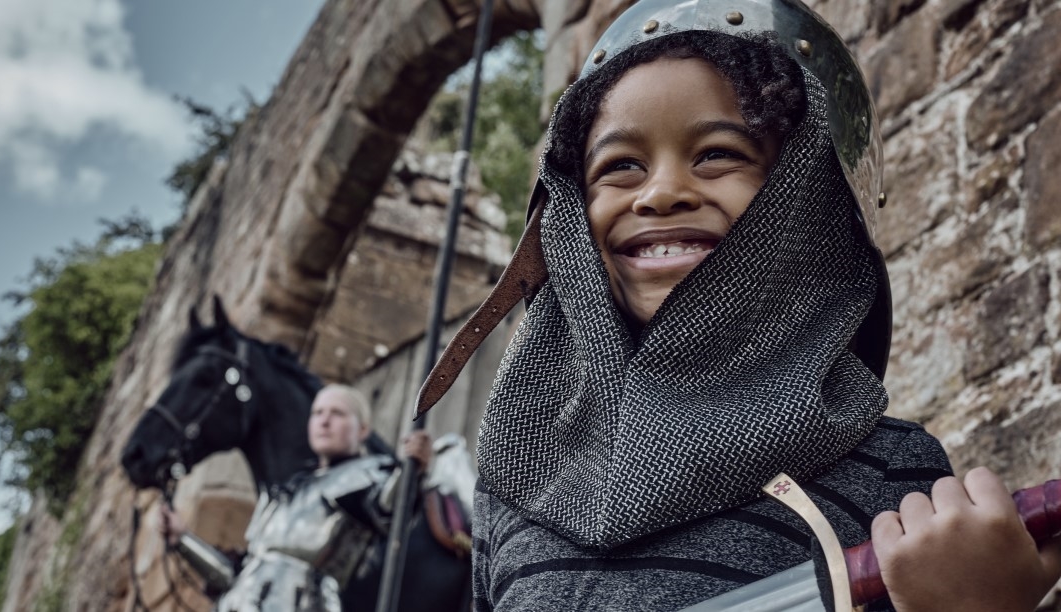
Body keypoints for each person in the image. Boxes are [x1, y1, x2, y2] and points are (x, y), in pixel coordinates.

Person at [452, 1, 1061, 610]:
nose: (660, 193)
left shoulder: (893, 473)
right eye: (621, 167)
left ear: (803, 196)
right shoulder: (518, 481)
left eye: (718, 154)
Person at [158, 383, 433, 612]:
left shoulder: (369, 475)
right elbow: (236, 575)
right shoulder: (288, 491)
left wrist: (410, 470)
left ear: (362, 430)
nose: (324, 420)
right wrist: (182, 538)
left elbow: (387, 509)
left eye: (337, 413)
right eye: (318, 413)